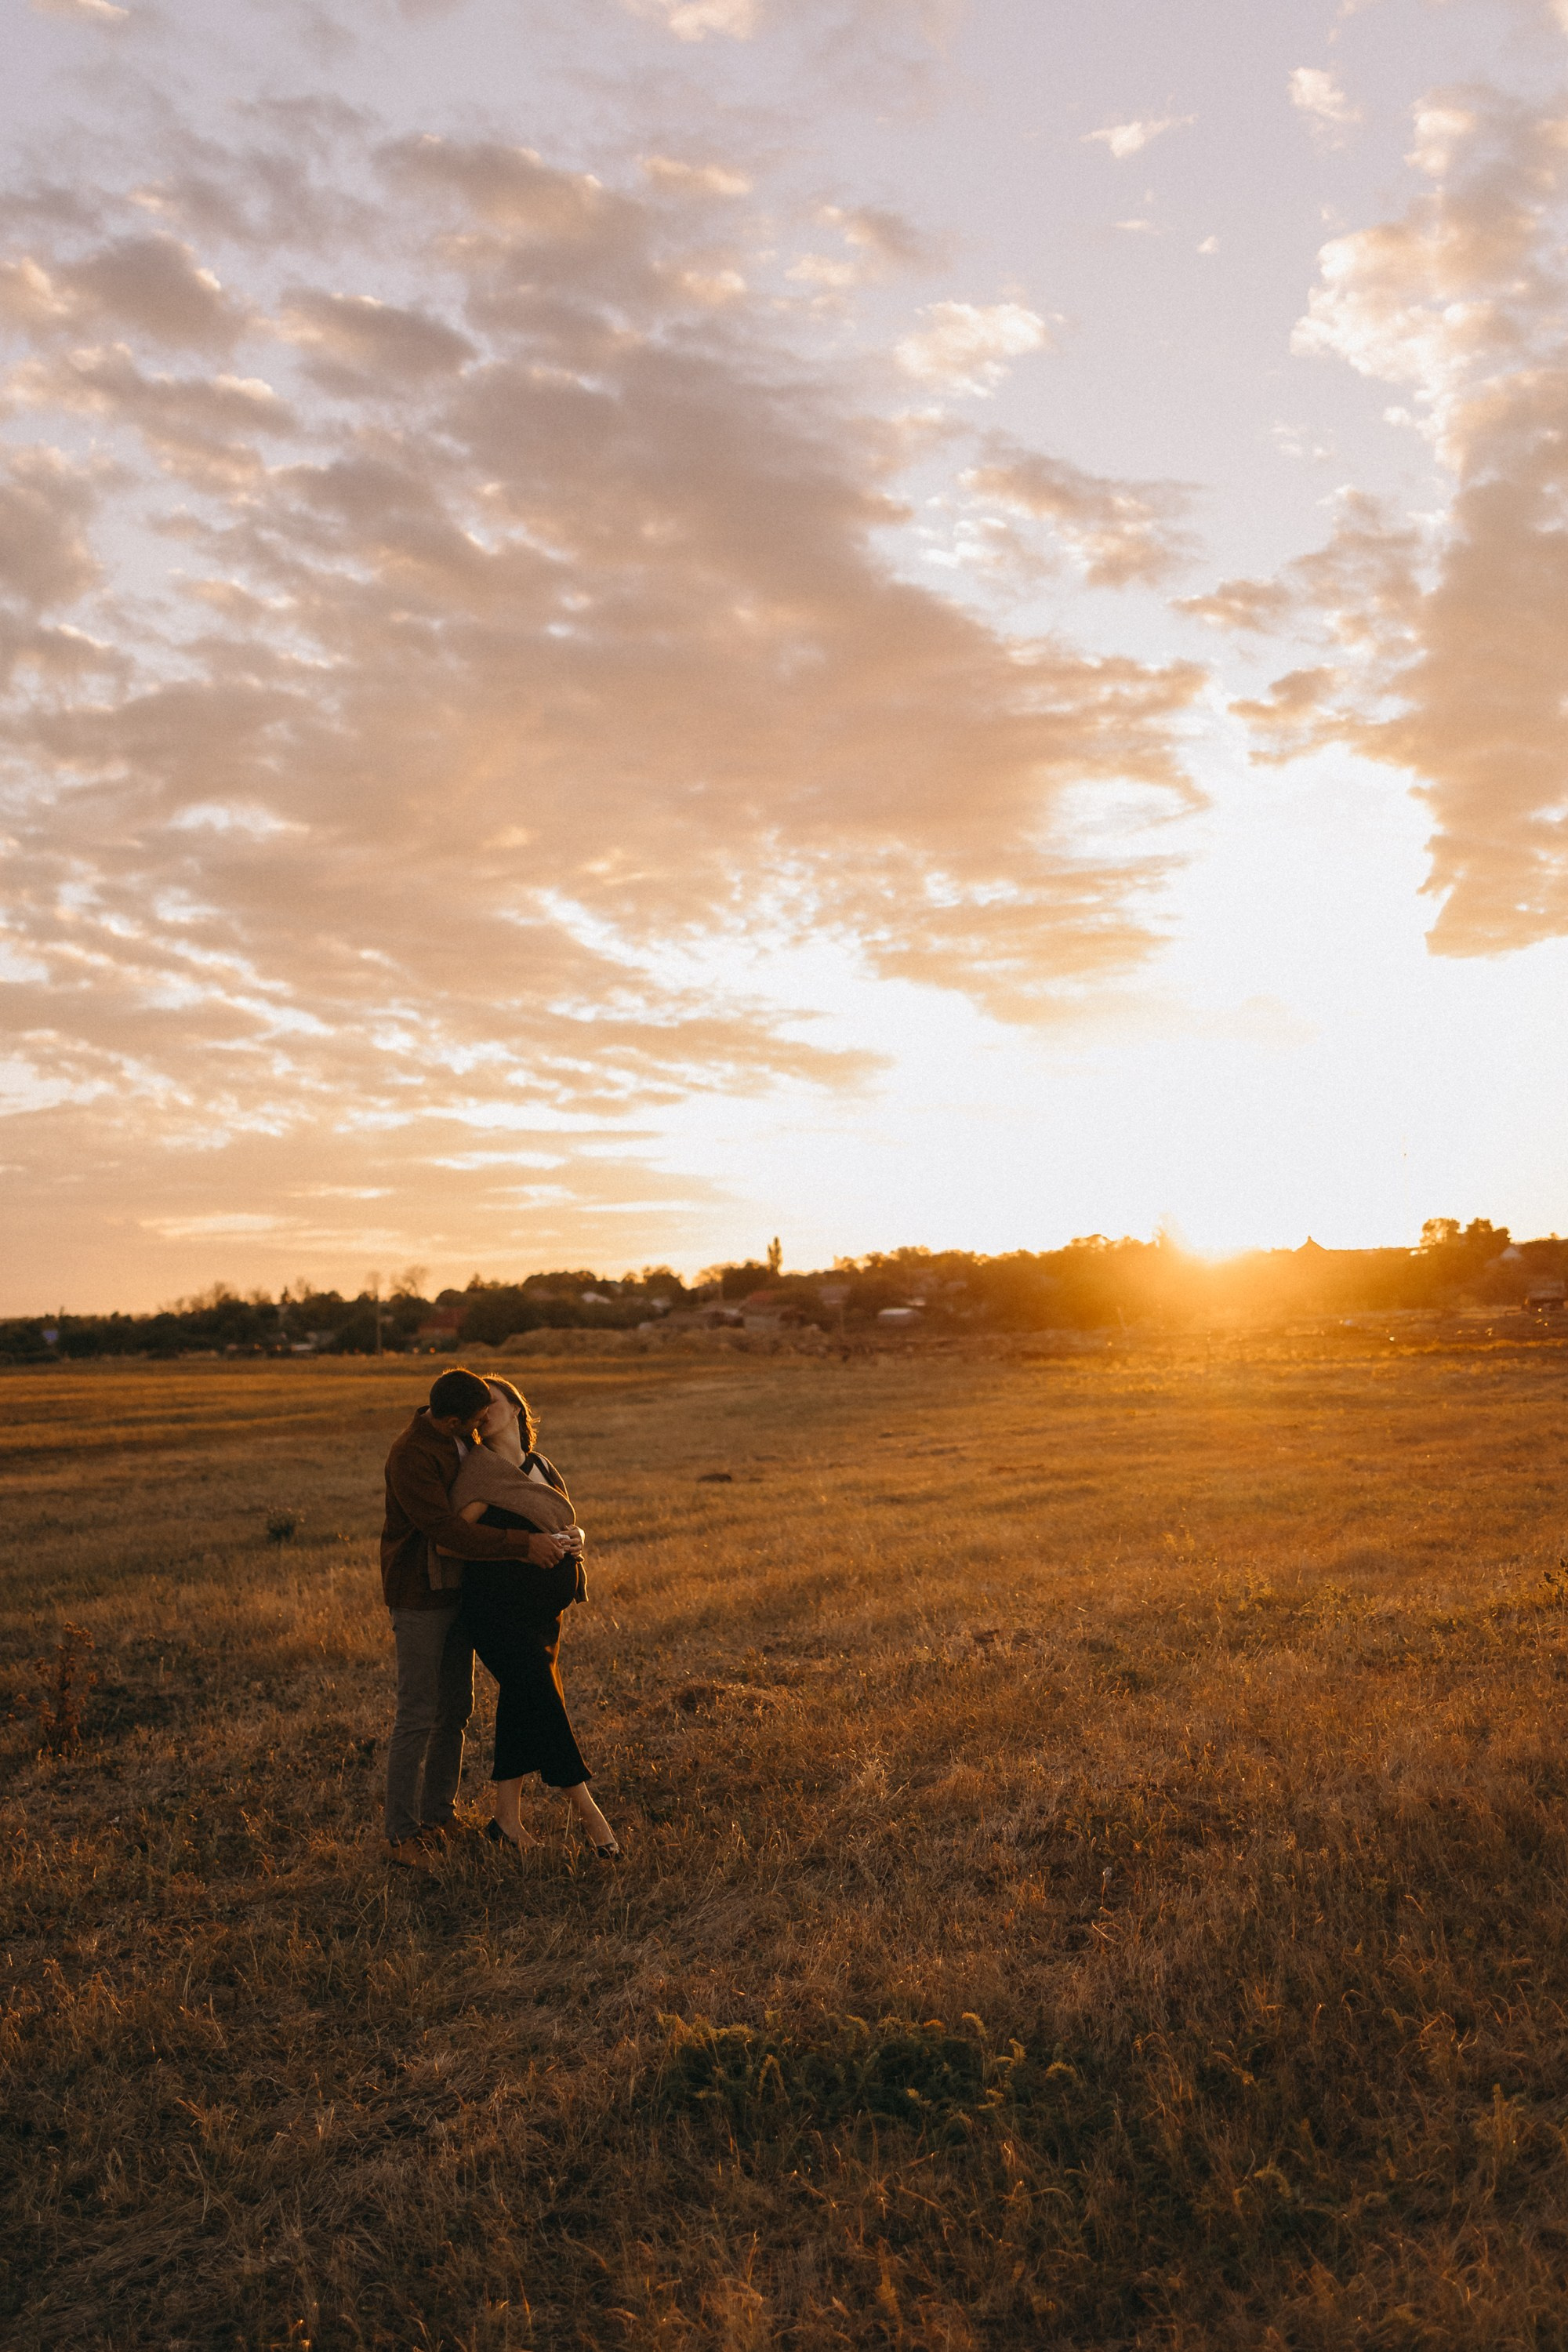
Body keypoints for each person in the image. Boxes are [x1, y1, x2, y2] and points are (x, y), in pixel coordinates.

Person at [379, 1364, 578, 1871]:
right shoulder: (410, 1457)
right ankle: (402, 1837)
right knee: (417, 1714)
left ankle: (437, 1817)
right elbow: (449, 1534)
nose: (482, 1422)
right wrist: (524, 1545)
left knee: (457, 1711)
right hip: (421, 1596)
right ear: (450, 1422)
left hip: (458, 1594)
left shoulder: (465, 1444)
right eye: (475, 1418)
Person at [444, 1376, 620, 1858]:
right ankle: (590, 1815)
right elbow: (455, 1538)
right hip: (497, 1613)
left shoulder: (541, 1465)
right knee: (543, 1701)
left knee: (524, 1701)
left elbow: (560, 1519)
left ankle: (505, 1822)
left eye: (492, 1401)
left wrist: (577, 1537)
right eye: (477, 1407)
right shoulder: (479, 1473)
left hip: (544, 1615)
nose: (483, 1411)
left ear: (517, 1407)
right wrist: (519, 1551)